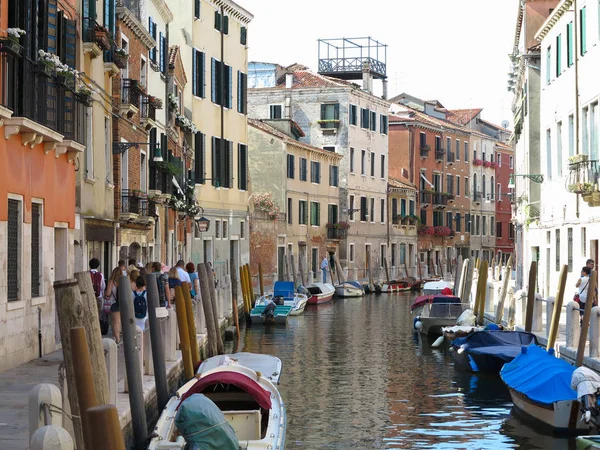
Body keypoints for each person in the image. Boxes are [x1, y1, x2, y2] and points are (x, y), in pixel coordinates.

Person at [105, 267, 122, 344]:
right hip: (122, 303)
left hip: (114, 303)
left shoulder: (111, 282)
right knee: (118, 322)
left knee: (115, 322)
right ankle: (117, 337)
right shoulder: (123, 281)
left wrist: (105, 294)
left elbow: (108, 293)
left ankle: (117, 338)